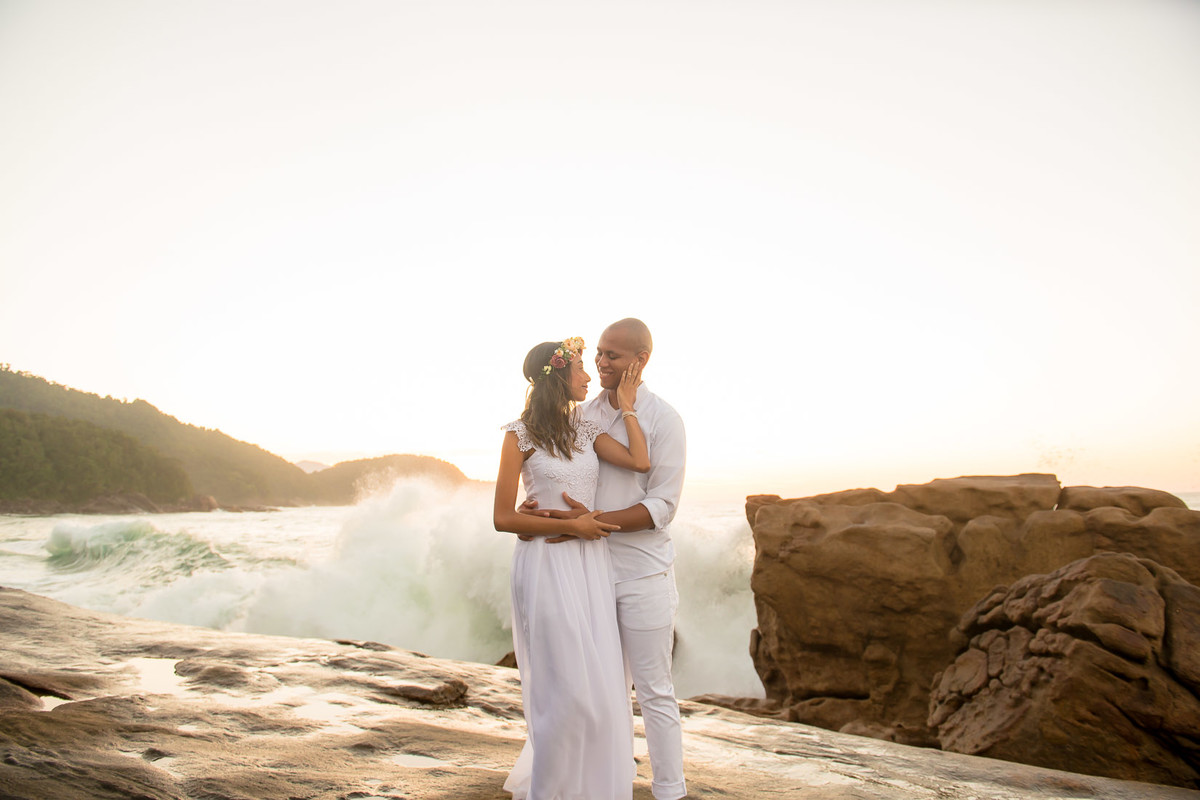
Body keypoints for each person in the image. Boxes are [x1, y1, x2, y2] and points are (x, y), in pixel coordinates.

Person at [528, 319, 688, 800]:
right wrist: (534, 505)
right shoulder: (582, 414)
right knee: (602, 691)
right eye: (597, 353)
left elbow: (664, 505)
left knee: (654, 691)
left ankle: (669, 791)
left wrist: (596, 521)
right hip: (585, 572)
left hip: (643, 573)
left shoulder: (664, 419)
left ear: (641, 361)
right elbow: (555, 466)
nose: (600, 363)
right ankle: (609, 786)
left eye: (613, 356)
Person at [493, 336, 651, 800]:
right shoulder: (517, 434)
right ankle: (550, 791)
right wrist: (567, 526)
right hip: (544, 565)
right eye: (581, 367)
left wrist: (627, 407)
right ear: (557, 375)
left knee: (599, 689)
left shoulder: (586, 431)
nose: (588, 375)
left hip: (590, 567)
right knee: (565, 692)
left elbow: (640, 462)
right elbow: (504, 517)